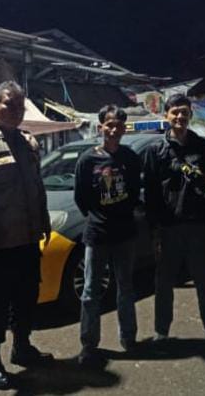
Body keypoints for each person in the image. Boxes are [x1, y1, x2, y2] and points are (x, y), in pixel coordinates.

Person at [0, 80, 53, 390]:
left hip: (28, 238)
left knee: (26, 297)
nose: (16, 111)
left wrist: (44, 222)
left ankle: (22, 347)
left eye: (20, 106)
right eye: (9, 105)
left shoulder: (29, 142)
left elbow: (37, 187)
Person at [143, 93, 205, 342]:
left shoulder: (202, 146)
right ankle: (161, 333)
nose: (180, 116)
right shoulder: (155, 150)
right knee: (163, 284)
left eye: (184, 112)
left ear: (190, 114)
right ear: (166, 115)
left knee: (204, 281)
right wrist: (154, 231)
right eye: (175, 112)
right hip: (167, 228)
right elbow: (151, 194)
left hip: (197, 225)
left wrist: (194, 174)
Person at [73, 104, 142, 367]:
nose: (114, 130)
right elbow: (81, 197)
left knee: (126, 288)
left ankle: (129, 338)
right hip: (97, 234)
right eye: (109, 125)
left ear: (124, 128)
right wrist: (98, 216)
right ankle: (89, 345)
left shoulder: (130, 158)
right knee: (91, 291)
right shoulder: (87, 160)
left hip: (125, 234)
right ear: (101, 126)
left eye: (119, 125)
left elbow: (134, 192)